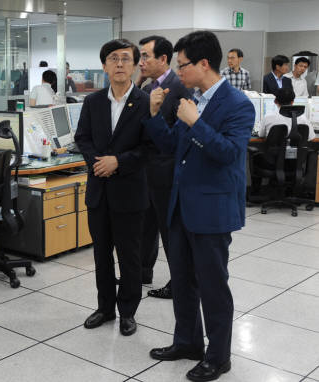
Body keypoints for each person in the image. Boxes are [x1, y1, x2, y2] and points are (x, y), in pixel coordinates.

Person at [145, 30, 254, 381]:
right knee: (184, 280)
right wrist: (154, 115)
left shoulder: (238, 104)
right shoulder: (191, 99)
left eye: (183, 66)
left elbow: (229, 153)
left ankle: (218, 355)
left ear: (203, 64)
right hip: (181, 207)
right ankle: (187, 342)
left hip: (212, 211)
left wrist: (196, 122)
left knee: (212, 284)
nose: (178, 73)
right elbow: (171, 146)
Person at [74, 39, 151, 337]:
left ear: (134, 65)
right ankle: (104, 307)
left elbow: (149, 148)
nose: (119, 64)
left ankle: (128, 312)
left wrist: (118, 161)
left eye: (125, 59)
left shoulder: (146, 103)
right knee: (101, 255)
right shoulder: (93, 102)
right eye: (113, 59)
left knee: (130, 257)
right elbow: (83, 137)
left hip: (130, 192)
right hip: (98, 191)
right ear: (104, 65)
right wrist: (98, 162)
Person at [136, 35, 190, 300]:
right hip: (146, 169)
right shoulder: (148, 88)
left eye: (145, 56)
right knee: (145, 225)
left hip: (166, 171)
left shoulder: (177, 87)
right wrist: (137, 84)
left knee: (169, 230)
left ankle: (177, 280)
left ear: (163, 59)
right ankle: (143, 271)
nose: (140, 61)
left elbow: (175, 135)